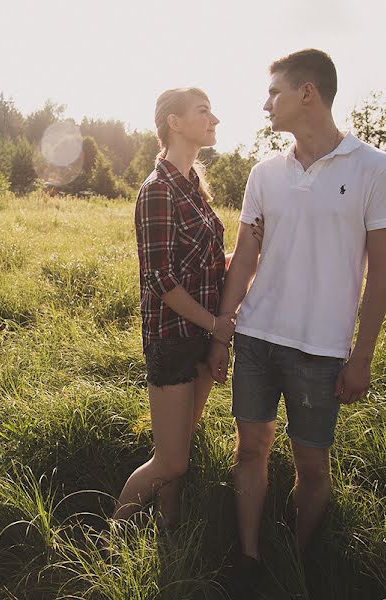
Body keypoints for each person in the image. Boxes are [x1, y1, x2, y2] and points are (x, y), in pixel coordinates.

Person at [207, 49, 386, 589]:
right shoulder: (264, 173)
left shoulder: (377, 170)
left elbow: (380, 276)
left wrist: (360, 357)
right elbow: (245, 257)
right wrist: (224, 331)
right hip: (255, 337)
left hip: (320, 350)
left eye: (274, 92)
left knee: (312, 467)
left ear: (307, 93)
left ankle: (291, 556)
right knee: (249, 450)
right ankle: (248, 559)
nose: (265, 103)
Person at [113, 88, 260, 529]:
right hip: (174, 341)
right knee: (171, 462)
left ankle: (168, 534)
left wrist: (257, 249)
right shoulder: (158, 190)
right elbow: (160, 280)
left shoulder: (194, 187)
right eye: (203, 111)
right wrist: (216, 324)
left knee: (178, 451)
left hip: (199, 336)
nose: (213, 118)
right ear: (174, 123)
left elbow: (207, 266)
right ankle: (112, 537)